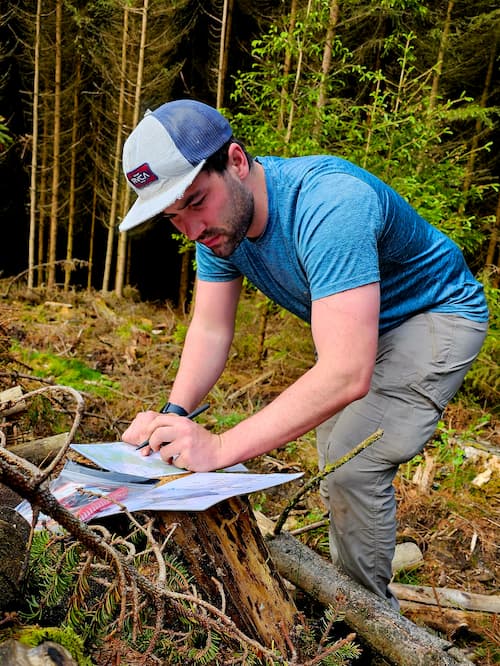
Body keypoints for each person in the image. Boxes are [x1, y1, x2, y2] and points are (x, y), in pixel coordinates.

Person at [119, 99, 488, 607]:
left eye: (196, 201)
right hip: (367, 326)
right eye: (173, 217)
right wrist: (173, 416)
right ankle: (355, 586)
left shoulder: (329, 204)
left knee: (352, 463)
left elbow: (344, 373)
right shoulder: (217, 227)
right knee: (334, 453)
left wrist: (220, 449)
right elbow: (209, 330)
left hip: (435, 315)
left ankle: (367, 625)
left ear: (238, 161)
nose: (192, 229)